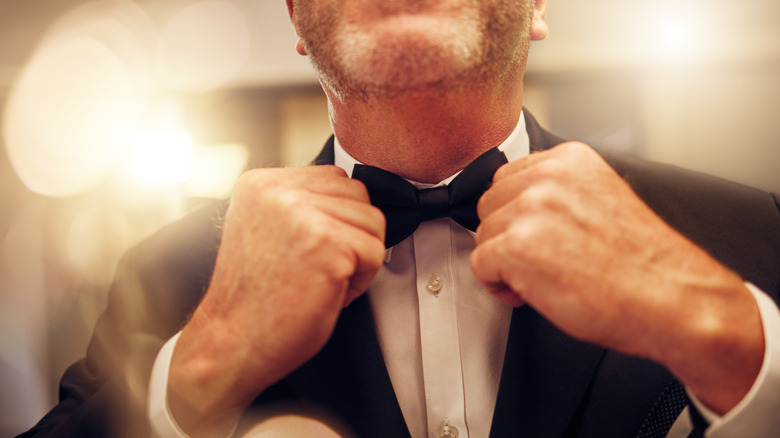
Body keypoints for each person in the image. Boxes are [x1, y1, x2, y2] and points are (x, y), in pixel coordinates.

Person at [20, 0, 780, 437]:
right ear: (296, 15)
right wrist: (201, 365)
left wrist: (733, 341)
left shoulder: (749, 232)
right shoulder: (164, 274)